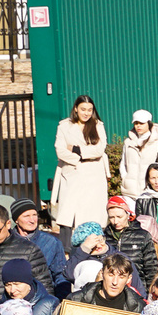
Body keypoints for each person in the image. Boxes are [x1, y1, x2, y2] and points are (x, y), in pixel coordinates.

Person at [50, 96, 111, 232]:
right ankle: (67, 249)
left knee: (93, 210)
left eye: (90, 110)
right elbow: (60, 150)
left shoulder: (97, 125)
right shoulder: (64, 126)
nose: (86, 113)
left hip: (94, 172)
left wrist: (77, 149)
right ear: (76, 109)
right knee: (68, 212)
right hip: (72, 171)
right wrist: (77, 158)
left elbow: (100, 149)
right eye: (83, 109)